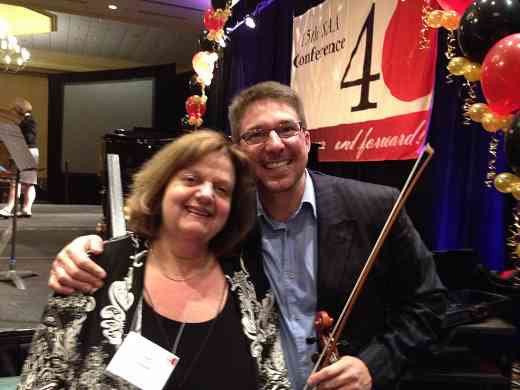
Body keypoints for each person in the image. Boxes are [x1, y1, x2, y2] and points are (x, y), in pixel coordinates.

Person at [48, 82, 447, 390]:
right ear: (238, 149)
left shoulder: (375, 207)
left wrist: (371, 365)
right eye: (256, 135)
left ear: (307, 139)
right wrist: (86, 249)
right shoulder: (224, 221)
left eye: (287, 129)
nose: (274, 145)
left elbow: (429, 305)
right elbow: (162, 242)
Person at [19, 130, 292, 390]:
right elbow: (40, 378)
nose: (206, 194)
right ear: (162, 187)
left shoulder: (251, 287)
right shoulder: (93, 269)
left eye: (221, 189)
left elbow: (275, 381)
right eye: (191, 179)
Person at [0, 98, 38, 218]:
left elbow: (15, 122)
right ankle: (27, 209)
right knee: (29, 183)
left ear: (18, 109)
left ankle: (8, 208)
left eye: (14, 110)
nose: (12, 112)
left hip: (24, 151)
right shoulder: (29, 121)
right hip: (33, 151)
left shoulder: (26, 122)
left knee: (15, 182)